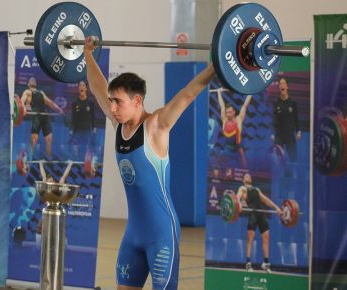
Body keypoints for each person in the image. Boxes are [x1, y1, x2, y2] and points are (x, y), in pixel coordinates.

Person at [84, 36, 214, 290]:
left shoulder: (156, 126)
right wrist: (87, 54)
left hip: (162, 235)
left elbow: (188, 95)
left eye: (118, 102)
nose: (111, 107)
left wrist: (216, 65)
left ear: (137, 102)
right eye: (111, 101)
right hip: (133, 235)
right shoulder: (118, 125)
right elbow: (97, 87)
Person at [237, 173, 282, 274]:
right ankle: (248, 263)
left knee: (266, 238)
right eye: (246, 176)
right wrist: (239, 204)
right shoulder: (242, 188)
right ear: (243, 180)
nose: (248, 176)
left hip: (260, 214)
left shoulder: (256, 189)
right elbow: (237, 196)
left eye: (249, 175)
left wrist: (277, 208)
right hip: (252, 214)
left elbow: (266, 200)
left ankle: (265, 264)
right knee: (250, 238)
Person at [21, 77, 63, 159]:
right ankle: (29, 159)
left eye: (34, 79)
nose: (33, 80)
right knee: (34, 139)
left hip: (45, 116)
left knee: (49, 139)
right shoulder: (27, 92)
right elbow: (21, 101)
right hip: (37, 116)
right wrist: (24, 108)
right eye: (31, 80)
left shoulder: (41, 92)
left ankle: (48, 159)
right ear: (28, 84)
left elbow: (50, 103)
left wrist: (59, 109)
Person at [217, 90, 252, 168]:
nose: (228, 114)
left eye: (229, 112)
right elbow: (222, 106)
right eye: (227, 112)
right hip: (227, 148)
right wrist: (219, 93)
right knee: (218, 164)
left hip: (238, 149)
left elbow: (245, 105)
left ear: (234, 112)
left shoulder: (239, 120)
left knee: (245, 167)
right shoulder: (224, 120)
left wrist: (251, 91)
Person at [272, 78, 301, 162]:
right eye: (280, 84)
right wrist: (273, 133)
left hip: (289, 135)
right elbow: (274, 119)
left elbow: (296, 118)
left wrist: (298, 131)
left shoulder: (293, 103)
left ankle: (292, 174)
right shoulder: (276, 102)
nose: (282, 85)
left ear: (287, 86)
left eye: (283, 83)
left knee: (293, 159)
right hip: (279, 135)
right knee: (277, 158)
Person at [69, 80, 96, 158]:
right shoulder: (74, 102)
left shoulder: (90, 102)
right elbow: (73, 117)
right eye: (80, 85)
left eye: (83, 85)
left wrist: (94, 128)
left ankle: (85, 168)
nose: (81, 87)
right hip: (77, 130)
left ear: (86, 88)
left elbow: (93, 116)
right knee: (75, 151)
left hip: (87, 130)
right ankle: (76, 166)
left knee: (86, 151)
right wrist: (71, 129)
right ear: (78, 88)